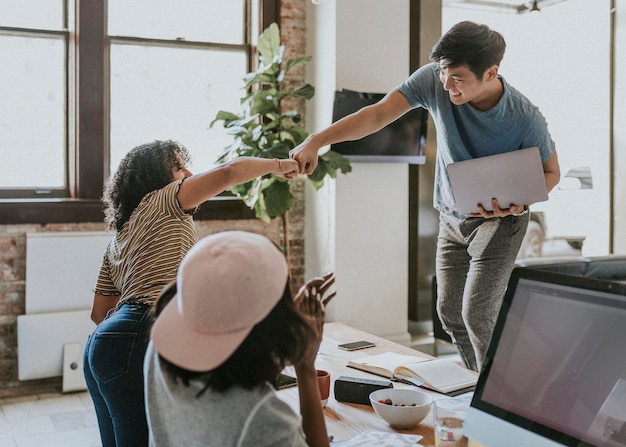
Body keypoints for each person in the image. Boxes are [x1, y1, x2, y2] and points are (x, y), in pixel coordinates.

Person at [290, 21, 560, 372]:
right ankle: (478, 385)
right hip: (452, 216)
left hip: (501, 223)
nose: (446, 84)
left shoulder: (524, 117)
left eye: (458, 77)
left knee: (477, 315)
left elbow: (551, 172)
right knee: (449, 314)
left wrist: (522, 200)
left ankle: (498, 399)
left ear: (491, 72)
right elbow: (377, 114)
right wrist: (316, 140)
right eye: (444, 72)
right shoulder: (436, 78)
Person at [83, 139, 299, 447]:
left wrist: (121, 336)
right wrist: (278, 166)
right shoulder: (161, 200)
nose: (188, 172)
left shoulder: (119, 237)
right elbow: (227, 174)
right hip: (141, 332)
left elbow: (98, 313)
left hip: (101, 344)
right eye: (178, 167)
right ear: (156, 179)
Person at [144, 231, 336, 447]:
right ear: (273, 319)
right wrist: (305, 364)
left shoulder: (160, 351)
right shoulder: (263, 419)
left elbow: (232, 358)